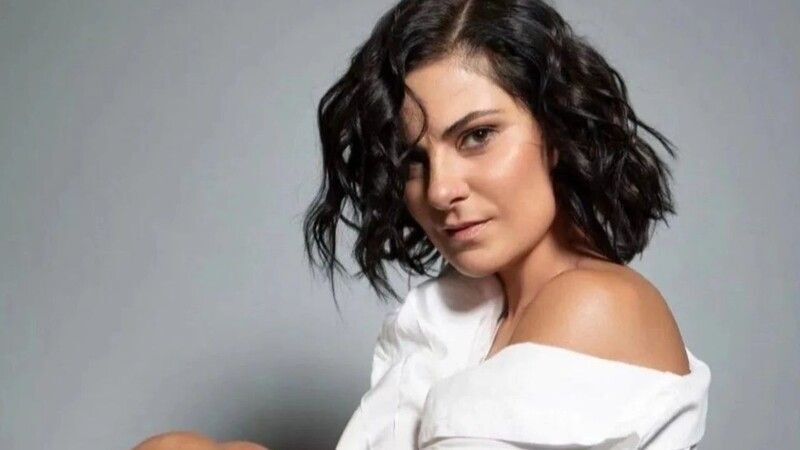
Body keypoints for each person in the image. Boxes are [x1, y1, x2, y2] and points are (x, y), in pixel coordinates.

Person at [301, 0, 711, 449]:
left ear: (556, 131)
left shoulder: (596, 305)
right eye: (413, 159)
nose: (440, 190)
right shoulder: (468, 312)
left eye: (477, 136)